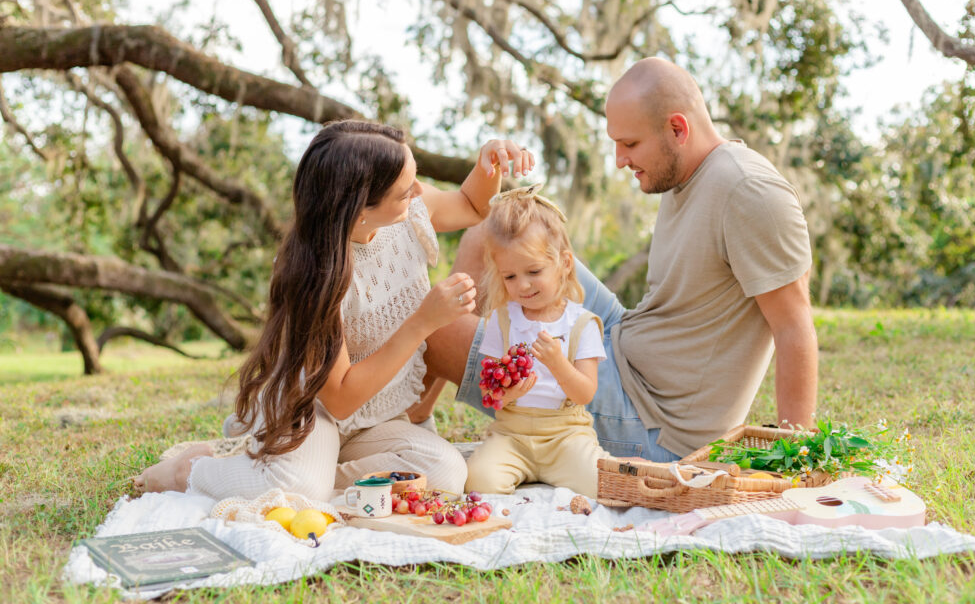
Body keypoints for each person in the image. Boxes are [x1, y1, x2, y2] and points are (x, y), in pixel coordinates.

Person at [426, 57, 817, 462]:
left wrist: (798, 459)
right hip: (624, 342)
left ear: (678, 129)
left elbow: (793, 325)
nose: (619, 159)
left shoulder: (748, 191)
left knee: (437, 328)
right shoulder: (688, 173)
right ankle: (418, 425)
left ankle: (409, 436)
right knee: (492, 228)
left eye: (630, 144)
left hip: (651, 423)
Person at [133, 120, 535, 500]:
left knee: (444, 472)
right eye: (404, 189)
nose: (417, 193)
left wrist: (488, 163)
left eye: (414, 180)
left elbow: (469, 204)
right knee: (300, 491)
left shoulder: (406, 207)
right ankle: (193, 470)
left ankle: (306, 471)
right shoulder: (313, 273)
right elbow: (339, 398)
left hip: (375, 416)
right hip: (310, 407)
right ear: (358, 207)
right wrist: (424, 322)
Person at [463, 185, 608, 497]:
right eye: (510, 277)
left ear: (565, 263)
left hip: (566, 435)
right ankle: (522, 471)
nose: (523, 285)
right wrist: (507, 393)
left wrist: (557, 363)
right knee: (479, 481)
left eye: (533, 271)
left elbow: (584, 393)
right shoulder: (501, 320)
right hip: (511, 434)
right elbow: (488, 389)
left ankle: (561, 472)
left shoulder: (582, 323)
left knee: (601, 483)